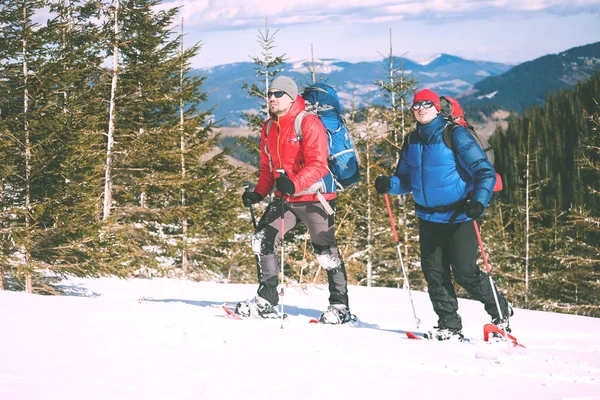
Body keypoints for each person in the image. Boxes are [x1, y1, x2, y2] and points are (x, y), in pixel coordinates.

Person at [374, 88, 513, 340]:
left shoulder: (454, 135)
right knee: (435, 275)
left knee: (465, 272)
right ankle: (449, 325)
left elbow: (484, 172)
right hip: (428, 218)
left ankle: (501, 311)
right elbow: (405, 180)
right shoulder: (411, 141)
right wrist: (390, 185)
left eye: (427, 104)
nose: (421, 108)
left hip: (461, 215)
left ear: (437, 108)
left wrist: (478, 203)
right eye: (416, 105)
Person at [237, 76, 352, 324]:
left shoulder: (308, 123)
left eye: (278, 94)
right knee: (262, 240)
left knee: (325, 252)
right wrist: (258, 192)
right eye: (270, 94)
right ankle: (267, 300)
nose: (272, 98)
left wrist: (295, 183)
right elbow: (268, 168)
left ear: (291, 97)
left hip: (316, 196)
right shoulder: (269, 127)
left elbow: (318, 164)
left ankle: (340, 307)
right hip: (285, 197)